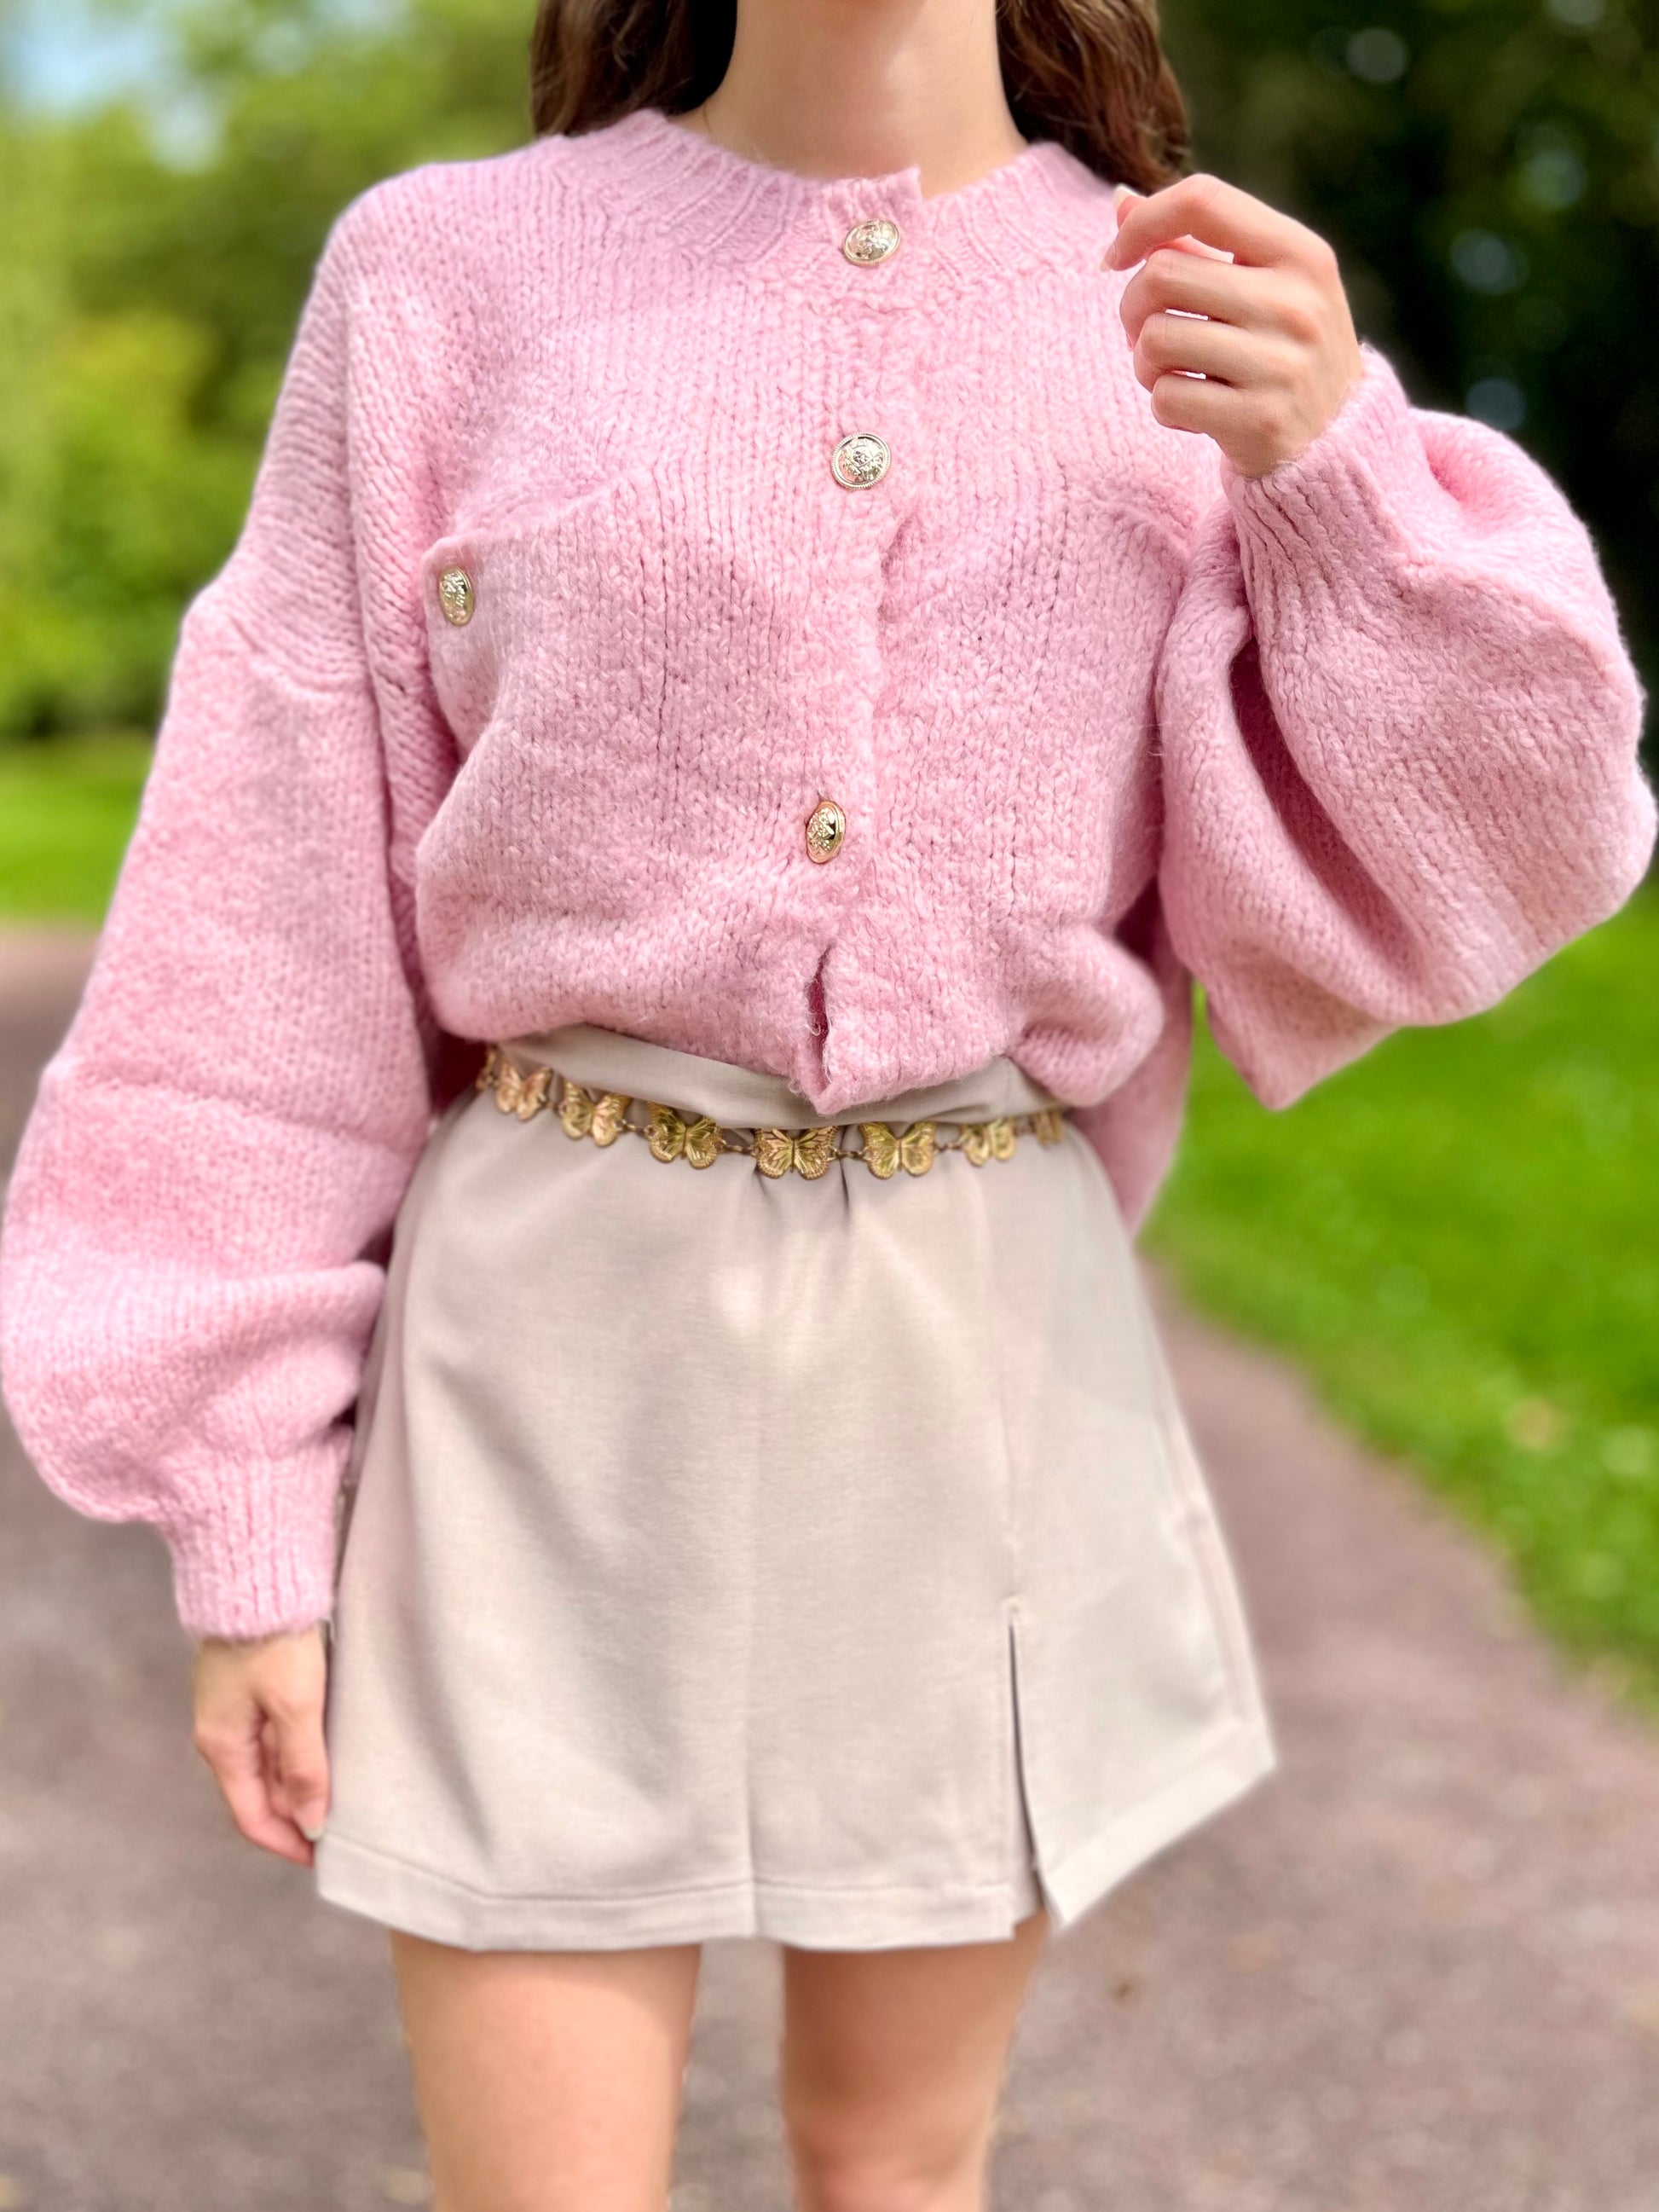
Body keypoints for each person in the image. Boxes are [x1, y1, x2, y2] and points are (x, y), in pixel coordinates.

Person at [2, 0, 1653, 2204]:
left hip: (980, 1356)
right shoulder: (442, 278)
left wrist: (1334, 483)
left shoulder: (1187, 317)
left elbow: (1524, 838)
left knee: (896, 2171)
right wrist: (244, 1512)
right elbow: (269, 910)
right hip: (539, 1368)